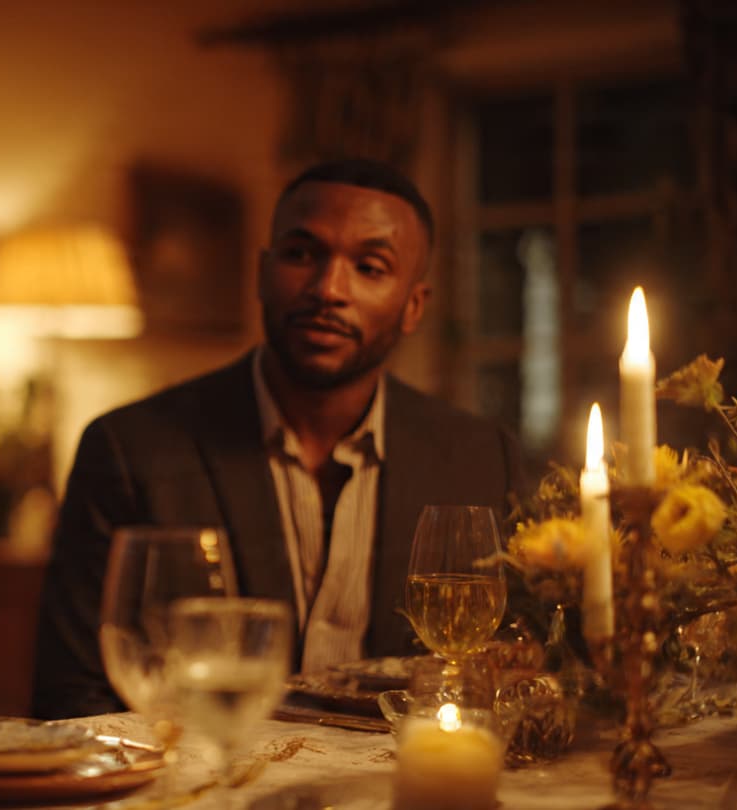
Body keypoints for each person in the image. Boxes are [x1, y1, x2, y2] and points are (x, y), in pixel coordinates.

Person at [31, 159, 528, 720]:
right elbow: (74, 700)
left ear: (414, 305)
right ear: (262, 273)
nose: (327, 289)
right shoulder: (131, 449)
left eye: (370, 266)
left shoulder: (479, 459)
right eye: (301, 254)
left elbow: (506, 678)